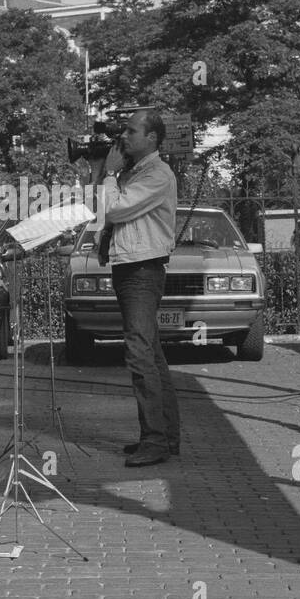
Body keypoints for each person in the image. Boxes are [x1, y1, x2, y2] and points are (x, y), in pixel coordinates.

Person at [91, 109, 179, 467]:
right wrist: (101, 171)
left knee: (139, 353)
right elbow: (98, 210)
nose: (123, 137)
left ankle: (156, 440)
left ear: (152, 138)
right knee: (152, 356)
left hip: (142, 271)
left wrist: (110, 174)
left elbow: (115, 210)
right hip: (130, 267)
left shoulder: (157, 174)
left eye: (131, 131)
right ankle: (165, 436)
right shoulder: (134, 171)